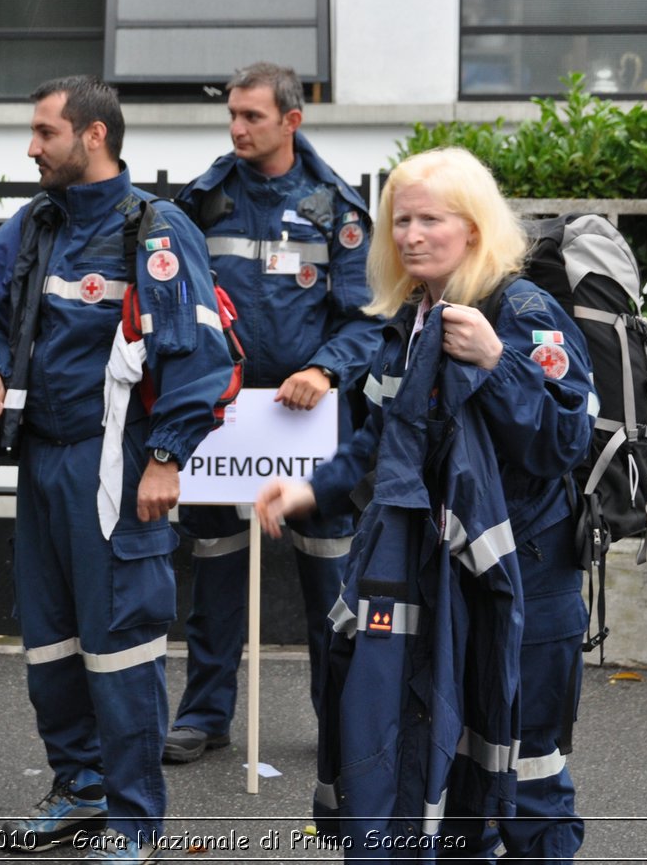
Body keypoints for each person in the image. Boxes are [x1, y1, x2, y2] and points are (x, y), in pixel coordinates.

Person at [256, 147, 595, 862]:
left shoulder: (522, 308)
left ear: (472, 227)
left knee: (525, 775)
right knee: (453, 769)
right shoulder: (411, 317)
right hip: (443, 581)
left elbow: (564, 440)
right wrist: (309, 489)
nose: (410, 235)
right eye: (400, 219)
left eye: (429, 220)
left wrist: (496, 360)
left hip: (528, 585)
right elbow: (385, 437)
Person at [0, 76, 237, 862]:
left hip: (115, 467)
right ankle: (79, 787)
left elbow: (200, 357)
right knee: (50, 644)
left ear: (94, 137)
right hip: (40, 459)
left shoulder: (155, 230)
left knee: (120, 645)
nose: (32, 146)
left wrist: (167, 456)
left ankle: (135, 820)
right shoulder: (35, 223)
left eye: (45, 132)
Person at [164, 62, 381, 764]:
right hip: (222, 418)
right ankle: (204, 715)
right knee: (218, 571)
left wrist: (325, 368)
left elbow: (368, 320)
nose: (237, 127)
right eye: (232, 113)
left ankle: (342, 722)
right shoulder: (204, 201)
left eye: (252, 116)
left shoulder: (335, 209)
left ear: (292, 120)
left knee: (329, 580)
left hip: (308, 425)